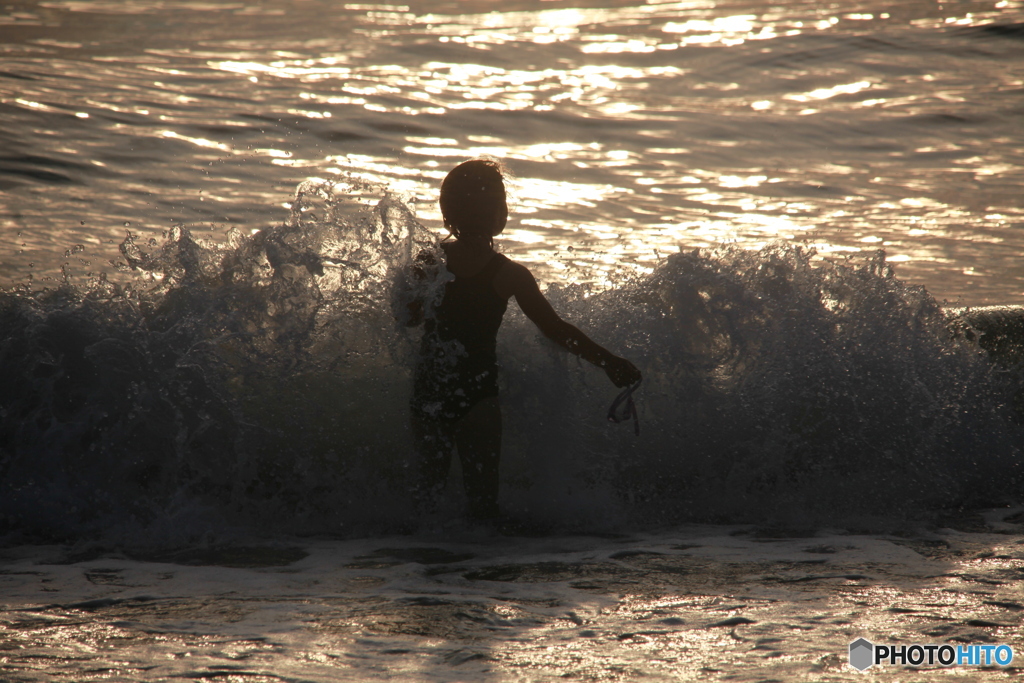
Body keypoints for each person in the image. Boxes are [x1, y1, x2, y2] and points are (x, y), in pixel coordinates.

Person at [410, 158, 642, 520]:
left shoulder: (428, 262)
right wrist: (609, 362)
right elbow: (556, 329)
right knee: (484, 505)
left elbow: (406, 318)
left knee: (426, 498)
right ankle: (480, 566)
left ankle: (419, 569)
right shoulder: (510, 274)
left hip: (430, 389)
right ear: (499, 214)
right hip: (478, 395)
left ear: (447, 210)